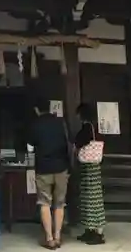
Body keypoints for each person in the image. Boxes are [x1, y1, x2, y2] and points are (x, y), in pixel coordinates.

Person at [28, 98, 71, 249]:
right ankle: (58, 237)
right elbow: (68, 142)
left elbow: (31, 145)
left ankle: (49, 238)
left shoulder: (36, 124)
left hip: (43, 168)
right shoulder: (60, 122)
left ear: (37, 110)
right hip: (61, 167)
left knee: (44, 202)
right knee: (60, 203)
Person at [75, 103, 106, 245]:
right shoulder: (95, 127)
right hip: (94, 166)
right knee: (91, 199)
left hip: (89, 167)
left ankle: (97, 233)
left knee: (91, 200)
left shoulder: (87, 128)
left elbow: (79, 141)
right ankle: (91, 230)